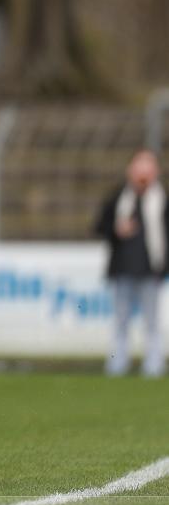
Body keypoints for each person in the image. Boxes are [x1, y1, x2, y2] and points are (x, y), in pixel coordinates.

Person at [95, 149, 167, 378]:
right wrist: (117, 230)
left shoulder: (162, 202)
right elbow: (99, 227)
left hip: (150, 271)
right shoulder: (119, 198)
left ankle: (154, 366)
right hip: (122, 270)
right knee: (120, 321)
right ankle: (117, 364)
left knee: (152, 322)